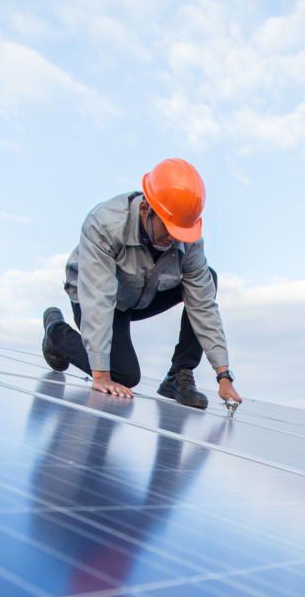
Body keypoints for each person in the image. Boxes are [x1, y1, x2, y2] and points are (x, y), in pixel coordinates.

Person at [41, 158, 242, 409]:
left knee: (207, 277)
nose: (173, 239)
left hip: (140, 296)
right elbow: (98, 297)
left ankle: (178, 376)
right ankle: (57, 333)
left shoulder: (188, 240)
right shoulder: (106, 224)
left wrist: (223, 374)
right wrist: (101, 375)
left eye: (179, 232)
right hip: (94, 297)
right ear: (147, 209)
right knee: (124, 376)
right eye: (168, 229)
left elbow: (203, 304)